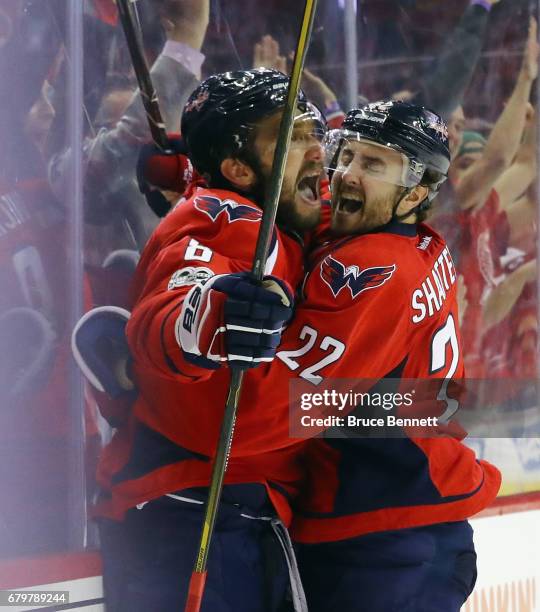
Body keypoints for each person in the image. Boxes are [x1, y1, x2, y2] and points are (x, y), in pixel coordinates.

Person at [249, 101, 500, 611]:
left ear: (419, 191)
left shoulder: (370, 267)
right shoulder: (420, 244)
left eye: (374, 165)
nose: (347, 175)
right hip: (418, 524)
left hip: (382, 536)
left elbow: (284, 407)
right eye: (348, 155)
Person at [94, 68, 326, 612]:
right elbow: (173, 305)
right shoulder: (233, 218)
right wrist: (213, 315)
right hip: (193, 511)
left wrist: (189, 165)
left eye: (315, 132)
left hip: (220, 506)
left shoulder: (253, 200)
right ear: (240, 169)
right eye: (292, 136)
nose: (317, 150)